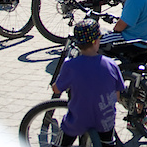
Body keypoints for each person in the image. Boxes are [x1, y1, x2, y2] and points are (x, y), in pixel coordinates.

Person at [51, 19, 125, 147]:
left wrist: (55, 85)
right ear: (97, 41)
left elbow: (57, 90)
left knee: (63, 137)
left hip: (78, 120)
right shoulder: (111, 64)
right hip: (105, 120)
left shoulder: (70, 65)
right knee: (107, 140)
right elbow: (117, 96)